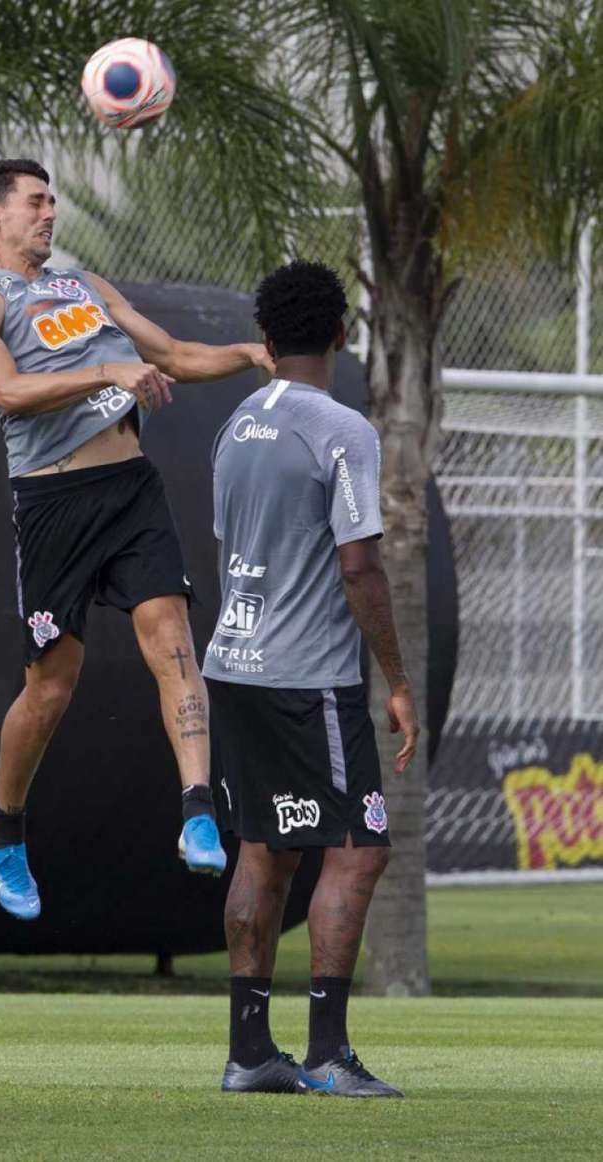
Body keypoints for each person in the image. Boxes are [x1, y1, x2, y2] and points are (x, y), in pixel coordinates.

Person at [0, 157, 273, 919]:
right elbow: (6, 392)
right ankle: (6, 826)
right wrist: (104, 372)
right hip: (53, 500)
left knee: (172, 640)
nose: (50, 214)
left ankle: (198, 808)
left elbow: (169, 357)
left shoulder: (85, 287)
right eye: (35, 202)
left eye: (53, 201)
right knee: (51, 686)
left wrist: (252, 356)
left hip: (130, 489)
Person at [203, 259, 419, 1097]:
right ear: (339, 333)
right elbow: (359, 567)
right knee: (359, 850)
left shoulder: (234, 427)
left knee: (266, 851)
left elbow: (233, 545)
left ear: (265, 338)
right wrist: (395, 679)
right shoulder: (342, 429)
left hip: (238, 663)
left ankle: (250, 1053)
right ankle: (327, 1052)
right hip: (310, 677)